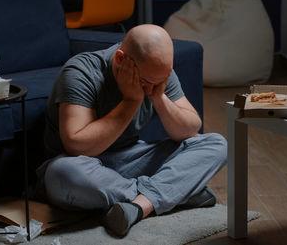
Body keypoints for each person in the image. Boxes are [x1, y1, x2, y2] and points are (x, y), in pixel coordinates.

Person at [37, 24, 227, 236]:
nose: (152, 87)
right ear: (120, 59)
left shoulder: (156, 72)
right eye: (146, 82)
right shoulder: (81, 71)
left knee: (215, 144)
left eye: (161, 81)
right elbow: (77, 145)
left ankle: (139, 206)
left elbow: (190, 128)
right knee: (62, 173)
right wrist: (131, 101)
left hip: (130, 159)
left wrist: (158, 96)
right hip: (82, 167)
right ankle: (172, 194)